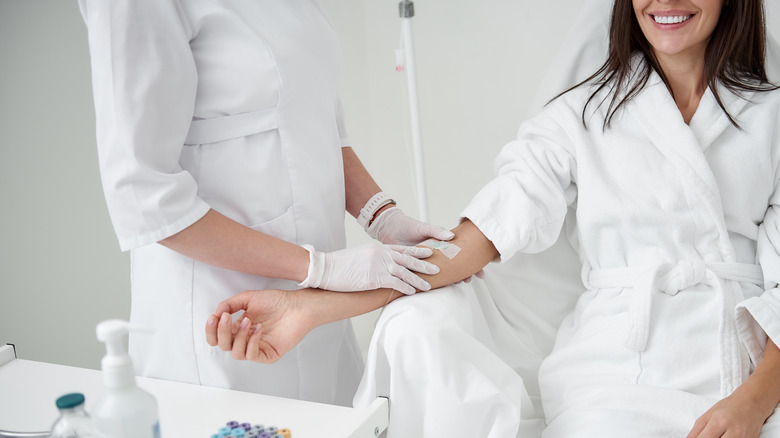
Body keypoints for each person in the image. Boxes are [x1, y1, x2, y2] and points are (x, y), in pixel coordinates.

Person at [207, 0, 780, 436]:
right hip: (616, 365)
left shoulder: (773, 113)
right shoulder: (579, 117)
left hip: (738, 364)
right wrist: (310, 307)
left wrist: (754, 402)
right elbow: (475, 242)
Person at [76, 0, 454, 407]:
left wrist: (380, 214)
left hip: (321, 304)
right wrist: (320, 268)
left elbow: (317, 119)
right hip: (224, 315)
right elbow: (143, 197)